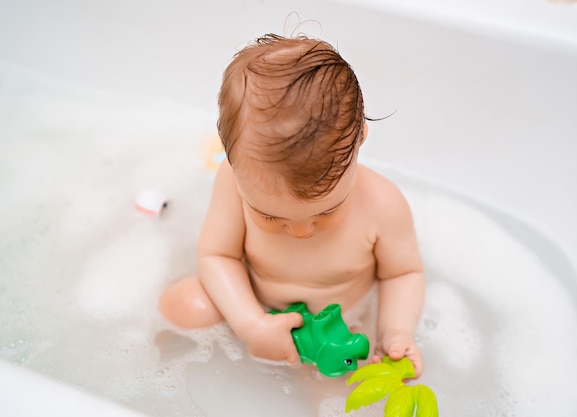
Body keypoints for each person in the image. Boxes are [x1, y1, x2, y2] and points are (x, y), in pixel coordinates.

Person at [159, 33, 425, 376]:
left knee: (339, 379)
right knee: (184, 306)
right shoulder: (232, 181)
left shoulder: (382, 205)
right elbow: (217, 256)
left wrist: (395, 332)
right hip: (250, 303)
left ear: (359, 139)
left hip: (337, 331)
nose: (301, 230)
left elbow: (402, 274)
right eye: (268, 214)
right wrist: (251, 324)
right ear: (231, 157)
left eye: (327, 210)